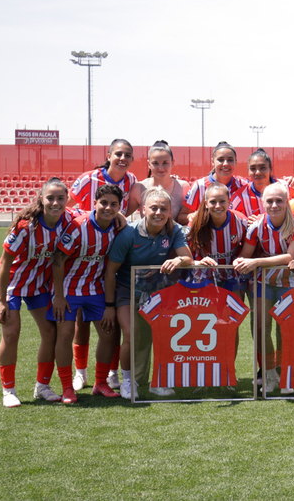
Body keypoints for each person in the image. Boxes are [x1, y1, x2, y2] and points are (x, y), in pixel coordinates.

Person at [103, 186, 202, 399]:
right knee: (132, 335)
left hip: (155, 293)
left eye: (163, 209)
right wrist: (110, 306)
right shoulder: (128, 234)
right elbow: (110, 272)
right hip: (126, 291)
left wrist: (178, 259)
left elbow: (188, 259)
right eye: (154, 208)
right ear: (144, 210)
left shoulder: (174, 230)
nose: (158, 213)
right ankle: (129, 382)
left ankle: (157, 381)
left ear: (169, 212)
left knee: (161, 336)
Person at [0, 177, 80, 407]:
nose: (55, 203)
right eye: (50, 198)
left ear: (67, 199)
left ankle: (42, 386)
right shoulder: (25, 226)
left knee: (50, 332)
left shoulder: (70, 219)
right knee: (11, 333)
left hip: (39, 284)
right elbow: (4, 264)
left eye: (60, 198)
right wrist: (1, 301)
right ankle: (8, 390)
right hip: (11, 284)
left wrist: (121, 218)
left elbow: (94, 213)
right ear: (41, 199)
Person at [69, 138, 140, 390]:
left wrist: (119, 216)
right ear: (108, 155)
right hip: (82, 248)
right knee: (80, 321)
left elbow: (126, 211)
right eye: (118, 154)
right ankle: (81, 372)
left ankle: (109, 374)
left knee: (108, 324)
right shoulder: (89, 178)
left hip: (108, 249)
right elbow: (68, 206)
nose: (123, 158)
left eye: (127, 155)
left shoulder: (131, 181)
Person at [50, 184, 124, 403]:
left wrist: (110, 305)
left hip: (96, 290)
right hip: (69, 290)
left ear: (119, 207)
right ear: (94, 204)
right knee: (64, 336)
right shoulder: (78, 227)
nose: (108, 208)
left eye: (114, 205)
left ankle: (100, 383)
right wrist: (59, 296)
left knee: (109, 334)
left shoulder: (118, 228)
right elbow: (58, 261)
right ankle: (66, 387)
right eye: (103, 203)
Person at [234, 182, 294, 393]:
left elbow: (290, 257)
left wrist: (257, 262)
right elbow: (245, 256)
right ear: (262, 203)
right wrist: (240, 262)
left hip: (290, 281)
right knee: (260, 328)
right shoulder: (256, 225)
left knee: (285, 329)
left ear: (287, 202)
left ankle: (285, 374)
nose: (274, 205)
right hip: (263, 281)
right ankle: (269, 374)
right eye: (269, 201)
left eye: (279, 201)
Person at [178, 141, 250, 226]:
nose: (226, 164)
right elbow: (181, 218)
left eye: (230, 160)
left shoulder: (244, 185)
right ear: (212, 162)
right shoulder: (199, 186)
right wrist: (195, 216)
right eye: (220, 160)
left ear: (235, 162)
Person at [232, 148, 294, 222]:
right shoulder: (239, 197)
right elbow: (231, 220)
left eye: (263, 168)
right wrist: (245, 223)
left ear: (271, 169)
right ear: (248, 171)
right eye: (253, 168)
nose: (258, 172)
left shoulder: (287, 188)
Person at [128, 140, 189, 221]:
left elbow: (188, 217)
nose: (160, 168)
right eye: (155, 163)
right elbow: (124, 214)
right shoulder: (139, 188)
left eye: (165, 163)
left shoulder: (183, 187)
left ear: (172, 163)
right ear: (149, 164)